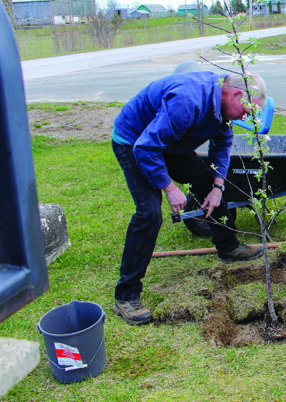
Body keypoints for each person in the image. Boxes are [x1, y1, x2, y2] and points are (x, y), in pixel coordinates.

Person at [111, 71, 268, 325]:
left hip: (168, 141)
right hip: (135, 141)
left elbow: (222, 143)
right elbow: (146, 147)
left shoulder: (223, 102)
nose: (245, 118)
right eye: (247, 112)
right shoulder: (188, 101)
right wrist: (168, 187)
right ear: (237, 95)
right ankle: (126, 295)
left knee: (208, 181)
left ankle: (228, 247)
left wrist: (217, 187)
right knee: (149, 213)